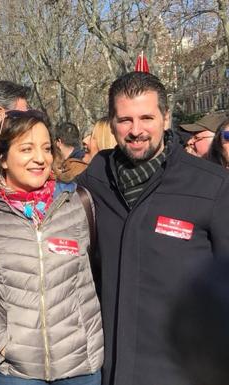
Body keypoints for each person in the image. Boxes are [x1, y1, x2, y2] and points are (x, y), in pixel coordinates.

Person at [75, 72, 229, 385]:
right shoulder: (94, 178)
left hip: (181, 370)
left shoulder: (211, 184)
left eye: (147, 117)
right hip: (109, 368)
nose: (136, 131)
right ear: (112, 122)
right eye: (125, 120)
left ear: (166, 118)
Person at [0, 109, 103, 385]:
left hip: (81, 365)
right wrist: (1, 344)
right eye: (26, 148)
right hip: (17, 371)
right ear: (2, 158)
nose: (40, 158)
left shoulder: (78, 203)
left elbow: (97, 271)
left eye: (46, 148)